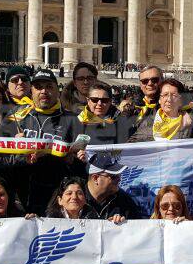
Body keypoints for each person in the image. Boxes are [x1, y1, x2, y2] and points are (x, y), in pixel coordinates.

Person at [9, 70, 74, 214]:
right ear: (31, 91)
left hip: (58, 197)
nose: (44, 91)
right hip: (23, 195)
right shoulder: (17, 118)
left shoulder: (73, 119)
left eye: (49, 87)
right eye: (38, 87)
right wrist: (16, 148)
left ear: (58, 90)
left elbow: (78, 161)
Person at [128, 78, 193, 141]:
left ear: (181, 100)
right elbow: (131, 145)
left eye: (174, 95)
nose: (169, 99)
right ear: (160, 100)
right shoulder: (148, 122)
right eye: (165, 95)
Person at [82, 154, 139, 223]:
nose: (119, 179)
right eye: (113, 176)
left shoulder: (124, 201)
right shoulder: (74, 197)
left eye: (119, 175)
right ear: (96, 178)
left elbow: (137, 229)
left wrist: (124, 225)